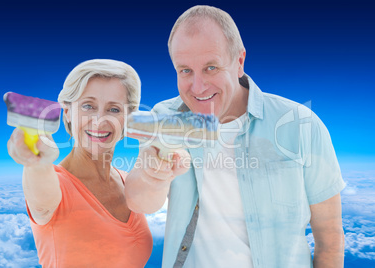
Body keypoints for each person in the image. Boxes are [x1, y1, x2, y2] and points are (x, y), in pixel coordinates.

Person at [125, 5, 345, 268]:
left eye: (211, 68)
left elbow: (330, 238)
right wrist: (154, 176)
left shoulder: (302, 125)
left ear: (239, 62)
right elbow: (141, 201)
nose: (198, 86)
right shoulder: (165, 117)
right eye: (185, 70)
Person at [7, 59, 153, 267]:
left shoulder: (128, 181)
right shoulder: (56, 185)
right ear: (67, 111)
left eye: (114, 109)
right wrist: (37, 164)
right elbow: (42, 202)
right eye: (88, 106)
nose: (100, 120)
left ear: (128, 118)